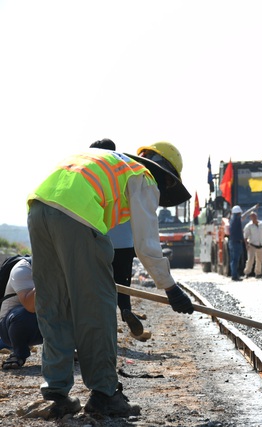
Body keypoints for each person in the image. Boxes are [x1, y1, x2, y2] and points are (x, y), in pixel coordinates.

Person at [27, 141, 195, 419]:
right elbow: (147, 244)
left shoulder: (108, 161)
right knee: (97, 308)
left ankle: (57, 393)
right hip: (76, 216)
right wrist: (171, 289)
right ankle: (105, 394)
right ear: (167, 177)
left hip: (39, 207)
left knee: (53, 304)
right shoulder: (143, 176)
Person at [90, 139, 144, 337]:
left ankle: (106, 324)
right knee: (123, 282)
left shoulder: (92, 172)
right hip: (125, 240)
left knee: (101, 284)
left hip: (102, 239)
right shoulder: (127, 170)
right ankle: (125, 308)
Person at [0, 256, 43, 370]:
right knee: (21, 316)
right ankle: (19, 354)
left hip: (46, 321)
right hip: (11, 328)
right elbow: (30, 306)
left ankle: (67, 349)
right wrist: (47, 278)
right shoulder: (22, 270)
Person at [243, 211, 262, 279]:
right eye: (252, 216)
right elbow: (245, 236)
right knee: (250, 260)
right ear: (250, 217)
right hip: (252, 245)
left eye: (255, 216)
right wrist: (246, 245)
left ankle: (258, 273)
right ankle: (247, 273)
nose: (254, 217)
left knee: (259, 260)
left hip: (261, 245)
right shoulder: (248, 226)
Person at [229, 205, 244, 282]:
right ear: (238, 213)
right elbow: (242, 217)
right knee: (235, 260)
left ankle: (234, 275)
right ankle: (234, 276)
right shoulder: (237, 220)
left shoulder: (232, 220)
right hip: (236, 243)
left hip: (232, 242)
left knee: (233, 260)